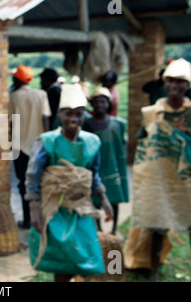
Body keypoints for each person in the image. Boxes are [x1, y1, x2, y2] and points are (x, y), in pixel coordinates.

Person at [25, 83, 113, 282]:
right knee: (61, 260)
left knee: (85, 254)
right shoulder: (47, 141)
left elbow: (93, 173)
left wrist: (104, 198)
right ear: (59, 114)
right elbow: (33, 177)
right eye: (68, 114)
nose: (73, 119)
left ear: (84, 116)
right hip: (55, 209)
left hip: (80, 207)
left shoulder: (91, 142)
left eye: (78, 114)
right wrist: (34, 209)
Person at [124, 58, 191, 282]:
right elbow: (143, 138)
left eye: (180, 82)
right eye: (170, 81)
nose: (175, 86)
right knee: (157, 224)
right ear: (164, 83)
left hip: (185, 177)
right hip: (160, 177)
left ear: (188, 86)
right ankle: (153, 272)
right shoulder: (151, 112)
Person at [83, 87, 129, 235]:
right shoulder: (88, 124)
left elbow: (122, 145)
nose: (100, 105)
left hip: (112, 165)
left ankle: (114, 229)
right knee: (95, 196)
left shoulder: (117, 124)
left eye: (103, 101)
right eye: (97, 102)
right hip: (97, 165)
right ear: (92, 105)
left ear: (108, 104)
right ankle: (99, 228)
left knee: (113, 197)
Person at [9, 65, 51, 229]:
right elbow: (45, 120)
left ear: (16, 79)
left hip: (19, 148)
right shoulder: (41, 95)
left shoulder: (13, 96)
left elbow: (11, 123)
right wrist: (48, 143)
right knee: (40, 182)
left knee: (23, 184)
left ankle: (28, 219)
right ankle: (43, 218)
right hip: (39, 146)